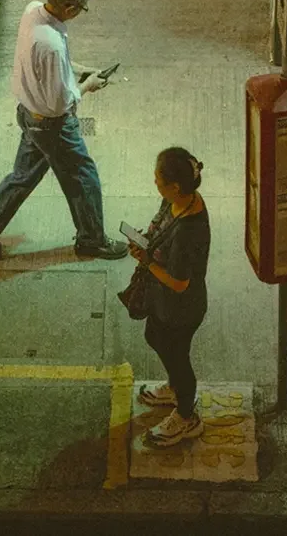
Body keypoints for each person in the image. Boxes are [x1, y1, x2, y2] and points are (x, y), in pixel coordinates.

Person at [0, 0, 127, 261]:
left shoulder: (32, 12)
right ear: (70, 8)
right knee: (83, 177)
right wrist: (88, 85)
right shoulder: (52, 44)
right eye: (82, 8)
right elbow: (61, 103)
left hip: (29, 114)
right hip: (53, 126)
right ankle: (91, 239)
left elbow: (51, 65)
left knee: (22, 177)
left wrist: (77, 70)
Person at [128, 147, 211, 447]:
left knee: (178, 359)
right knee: (154, 336)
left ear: (175, 186)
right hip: (162, 300)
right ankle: (175, 388)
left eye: (158, 179)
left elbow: (179, 282)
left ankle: (187, 416)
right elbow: (158, 231)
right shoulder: (174, 201)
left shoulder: (190, 230)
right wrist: (145, 245)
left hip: (182, 308)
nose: (155, 184)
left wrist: (147, 263)